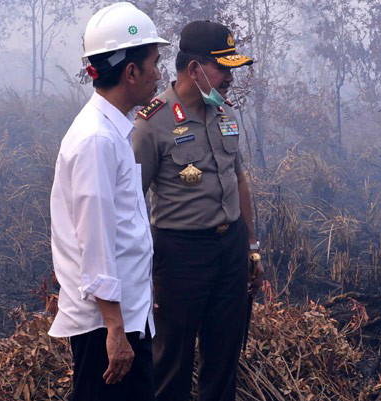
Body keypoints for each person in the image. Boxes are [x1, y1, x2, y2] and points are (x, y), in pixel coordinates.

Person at [132, 21, 264, 401]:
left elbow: (238, 180)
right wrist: (143, 270)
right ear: (194, 69)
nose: (230, 79)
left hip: (230, 249)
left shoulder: (225, 113)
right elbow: (131, 203)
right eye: (223, 68)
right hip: (180, 255)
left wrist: (251, 246)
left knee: (223, 359)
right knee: (171, 362)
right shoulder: (151, 124)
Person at [48, 3, 169, 400]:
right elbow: (95, 241)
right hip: (106, 327)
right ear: (131, 72)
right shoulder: (96, 140)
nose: (158, 73)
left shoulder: (113, 131)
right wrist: (115, 329)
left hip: (124, 317)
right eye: (153, 62)